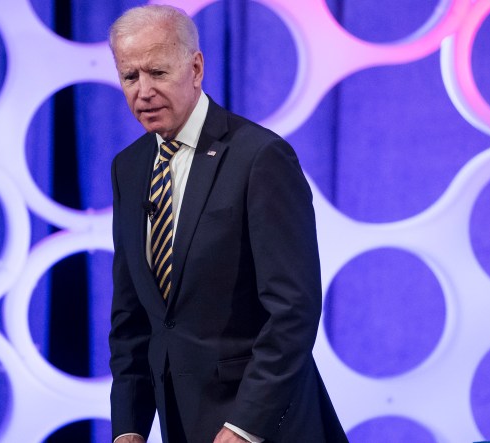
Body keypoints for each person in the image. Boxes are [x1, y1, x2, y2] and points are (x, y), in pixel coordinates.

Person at [107, 5, 347, 443]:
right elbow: (132, 317)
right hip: (181, 424)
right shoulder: (129, 167)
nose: (143, 91)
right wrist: (128, 427)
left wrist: (244, 426)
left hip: (265, 427)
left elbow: (292, 310)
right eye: (130, 76)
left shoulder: (259, 157)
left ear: (195, 68)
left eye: (157, 72)